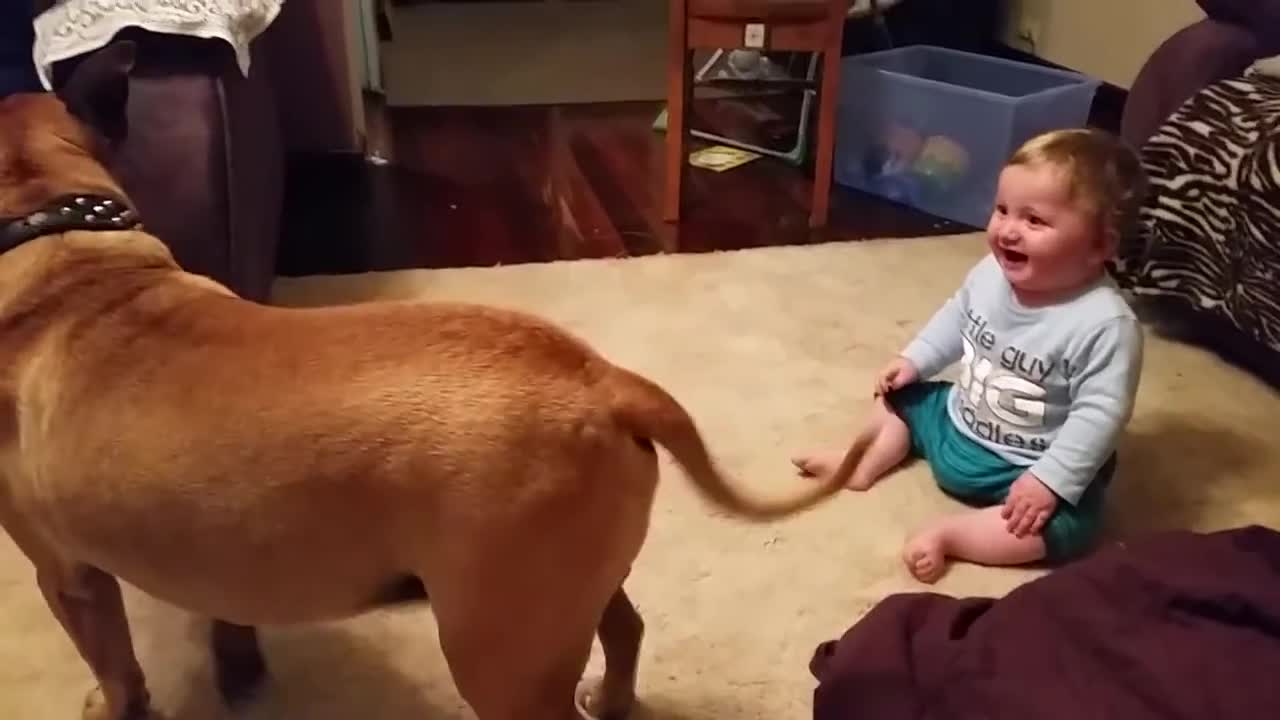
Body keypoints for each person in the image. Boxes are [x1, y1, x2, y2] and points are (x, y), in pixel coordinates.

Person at [793, 128, 1148, 583]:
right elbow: (957, 316)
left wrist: (1050, 480)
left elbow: (1101, 415)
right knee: (899, 395)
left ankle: (953, 535)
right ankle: (862, 463)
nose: (1007, 230)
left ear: (1100, 246)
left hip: (1022, 467)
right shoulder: (989, 274)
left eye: (1034, 221)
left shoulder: (1105, 325)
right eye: (1002, 210)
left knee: (1072, 526)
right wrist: (915, 359)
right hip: (957, 419)